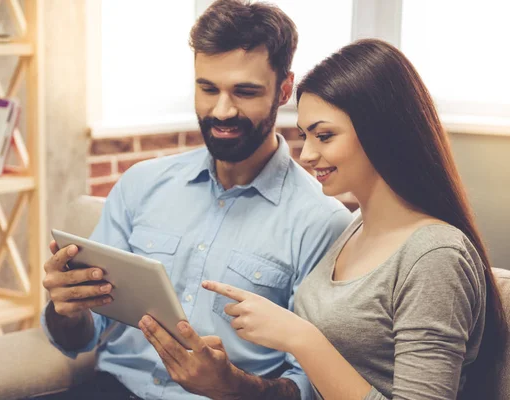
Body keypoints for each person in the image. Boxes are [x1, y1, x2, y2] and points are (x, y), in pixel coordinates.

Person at [38, 1, 352, 399]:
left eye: (245, 91)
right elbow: (82, 336)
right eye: (207, 88)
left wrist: (233, 386)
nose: (221, 111)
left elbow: (313, 384)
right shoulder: (141, 184)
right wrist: (67, 308)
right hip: (112, 388)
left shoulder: (323, 223)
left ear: (284, 90)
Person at [203, 38, 508, 400]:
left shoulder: (435, 257)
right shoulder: (356, 226)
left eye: (325, 135)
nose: (309, 154)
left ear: (382, 130)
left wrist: (300, 338)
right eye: (304, 136)